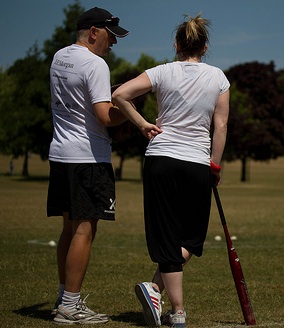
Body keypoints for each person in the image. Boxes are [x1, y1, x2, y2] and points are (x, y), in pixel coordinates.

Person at [113, 14, 230, 328]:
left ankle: (155, 290)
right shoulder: (219, 77)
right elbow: (220, 126)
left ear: (177, 45)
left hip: (161, 159)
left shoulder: (161, 71)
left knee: (172, 236)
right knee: (190, 238)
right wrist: (215, 166)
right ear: (204, 47)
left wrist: (142, 125)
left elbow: (120, 95)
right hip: (196, 163)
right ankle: (176, 311)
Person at [46, 7, 129, 325]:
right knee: (85, 228)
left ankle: (63, 297)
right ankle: (70, 305)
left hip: (61, 154)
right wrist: (127, 108)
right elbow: (105, 117)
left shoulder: (59, 56)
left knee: (68, 228)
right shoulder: (96, 64)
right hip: (88, 158)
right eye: (110, 36)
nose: (113, 44)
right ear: (94, 32)